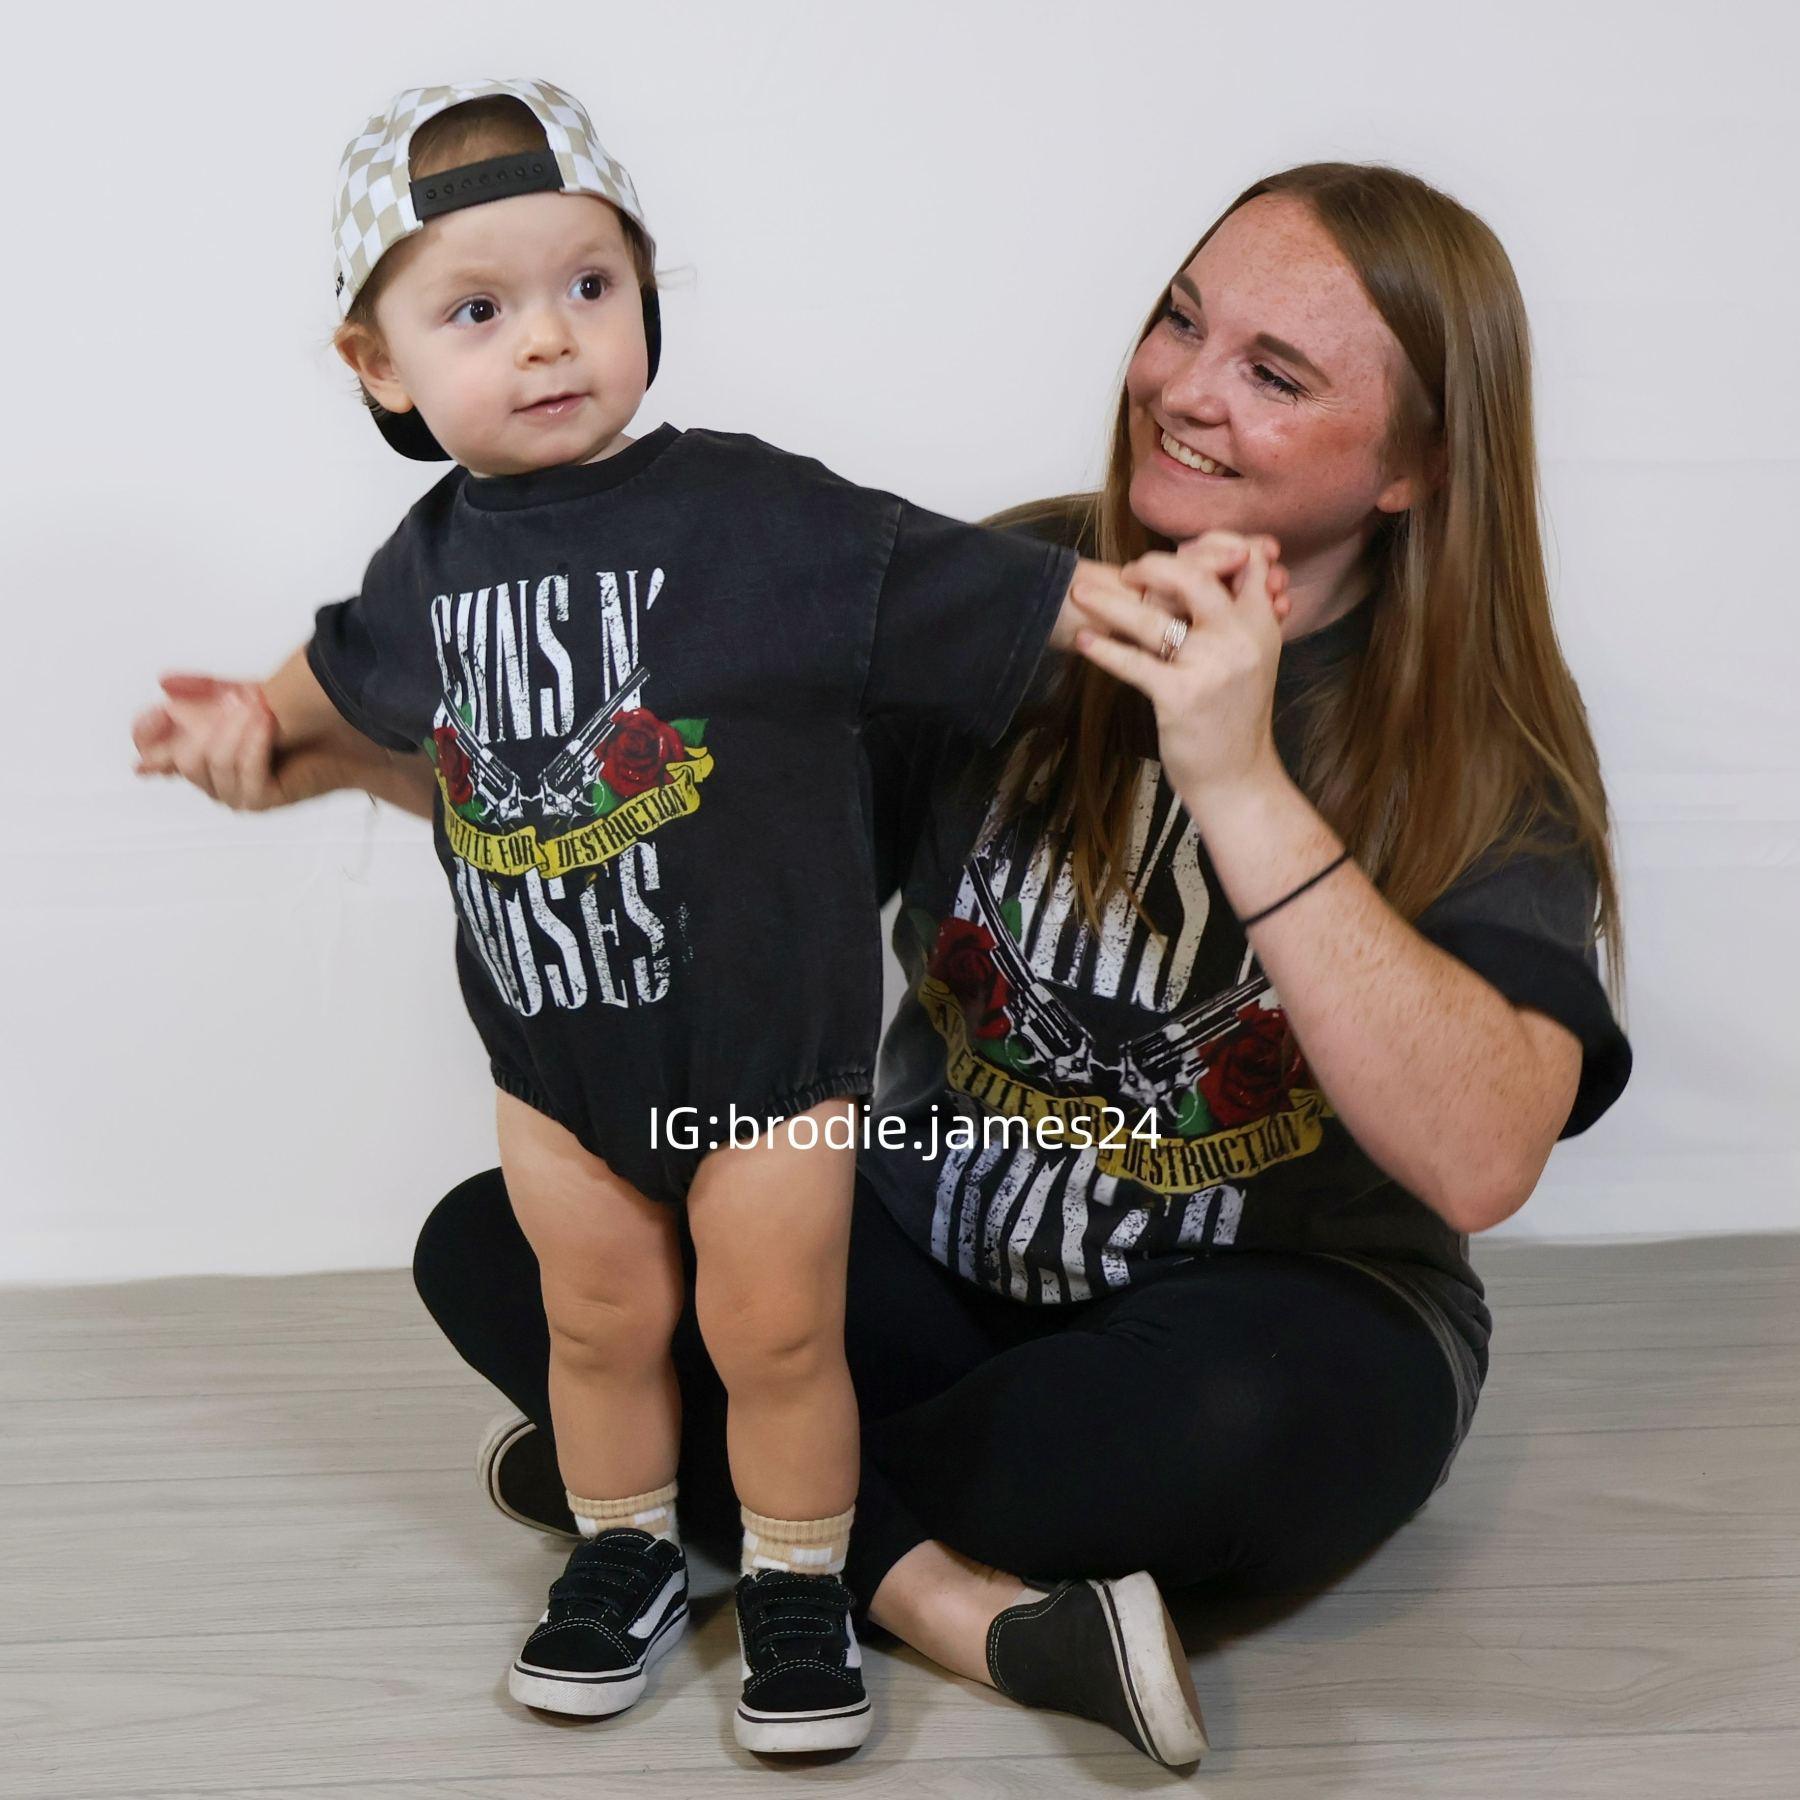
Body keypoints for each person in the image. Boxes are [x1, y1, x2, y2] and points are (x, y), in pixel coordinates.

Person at [158, 155, 1634, 1771]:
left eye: (1273, 376)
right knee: (494, 1244)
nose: (1181, 392)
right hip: (923, 1234)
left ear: (1418, 462)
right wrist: (334, 759)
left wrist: (1238, 776)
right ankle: (950, 1602)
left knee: (1227, 1434)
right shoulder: (1011, 597)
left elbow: (1486, 1155)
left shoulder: (1481, 744)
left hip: (1254, 1314)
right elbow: (691, 821)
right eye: (1179, 322)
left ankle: (679, 1499)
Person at [127, 77, 1163, 1758]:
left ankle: (805, 1576)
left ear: (646, 291)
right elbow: (319, 685)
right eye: (480, 308)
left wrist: (1118, 601)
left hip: (761, 1066)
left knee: (775, 1335)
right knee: (596, 1324)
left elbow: (943, 575)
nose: (548, 341)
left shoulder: (757, 516)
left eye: (588, 288)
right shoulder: (426, 566)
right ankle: (623, 1550)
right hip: (558, 1074)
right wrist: (234, 726)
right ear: (378, 365)